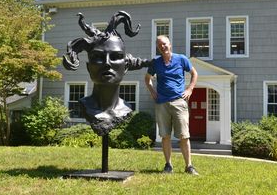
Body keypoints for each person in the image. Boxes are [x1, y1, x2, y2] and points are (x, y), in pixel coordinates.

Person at [63, 11, 151, 136]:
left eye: (116, 56)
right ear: (88, 67)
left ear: (125, 67)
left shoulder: (126, 109)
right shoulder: (85, 105)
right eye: (98, 57)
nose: (107, 63)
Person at [145, 35, 199, 175]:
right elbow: (147, 79)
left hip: (179, 102)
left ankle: (189, 166)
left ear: (170, 44)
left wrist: (190, 89)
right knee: (165, 135)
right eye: (159, 45)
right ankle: (168, 165)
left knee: (184, 135)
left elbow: (194, 73)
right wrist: (152, 91)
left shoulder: (181, 59)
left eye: (164, 44)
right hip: (162, 103)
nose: (162, 47)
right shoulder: (155, 63)